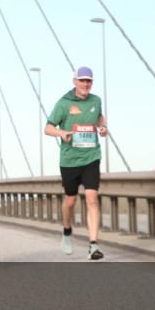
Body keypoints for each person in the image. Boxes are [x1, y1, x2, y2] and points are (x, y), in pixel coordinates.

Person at [45, 66, 107, 260]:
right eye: (82, 80)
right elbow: (48, 128)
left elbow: (99, 117)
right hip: (70, 160)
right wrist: (61, 133)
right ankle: (66, 232)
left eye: (89, 80)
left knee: (92, 199)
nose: (85, 84)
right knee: (70, 200)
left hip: (91, 157)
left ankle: (93, 245)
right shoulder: (64, 103)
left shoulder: (96, 100)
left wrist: (103, 127)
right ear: (74, 82)